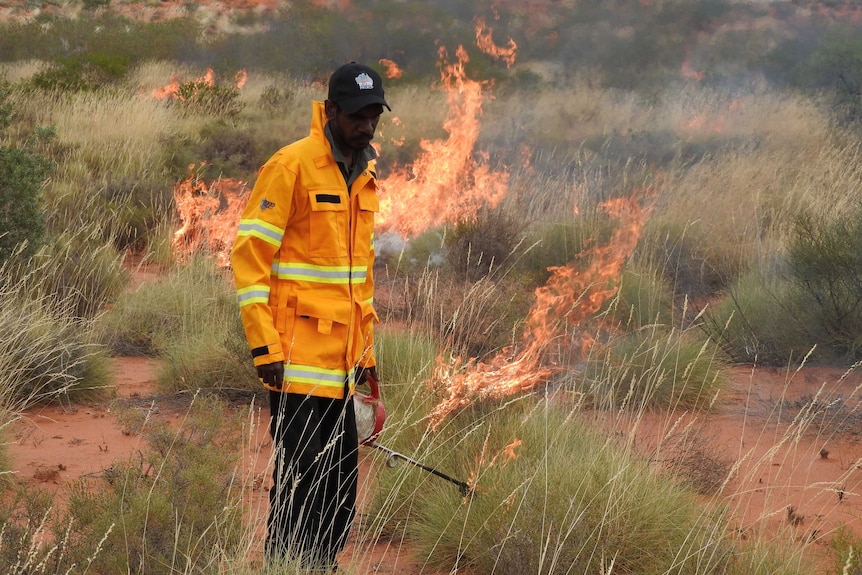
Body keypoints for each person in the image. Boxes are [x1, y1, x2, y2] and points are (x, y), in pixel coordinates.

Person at [231, 62, 389, 572]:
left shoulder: (365, 177)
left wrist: (366, 365)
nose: (367, 126)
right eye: (358, 116)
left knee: (340, 500)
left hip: (343, 372)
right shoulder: (290, 166)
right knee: (299, 492)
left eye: (375, 116)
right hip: (294, 366)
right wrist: (264, 346)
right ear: (333, 110)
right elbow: (249, 257)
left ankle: (319, 567)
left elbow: (358, 283)